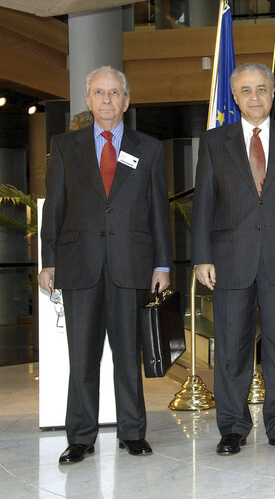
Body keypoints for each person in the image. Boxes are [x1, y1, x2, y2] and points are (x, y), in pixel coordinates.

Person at [39, 65, 173, 464]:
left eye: (115, 93)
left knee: (128, 357)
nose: (107, 100)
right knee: (82, 357)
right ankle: (80, 437)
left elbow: (156, 212)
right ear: (89, 100)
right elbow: (55, 211)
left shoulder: (148, 148)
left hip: (131, 266)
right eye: (100, 93)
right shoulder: (65, 146)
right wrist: (48, 262)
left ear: (127, 101)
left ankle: (133, 432)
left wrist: (162, 264)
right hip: (79, 266)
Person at [192, 63, 275, 455]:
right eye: (245, 90)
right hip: (230, 260)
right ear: (234, 97)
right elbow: (203, 206)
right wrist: (201, 257)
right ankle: (232, 427)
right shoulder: (215, 142)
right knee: (231, 349)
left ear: (272, 92)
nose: (254, 96)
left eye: (261, 89)